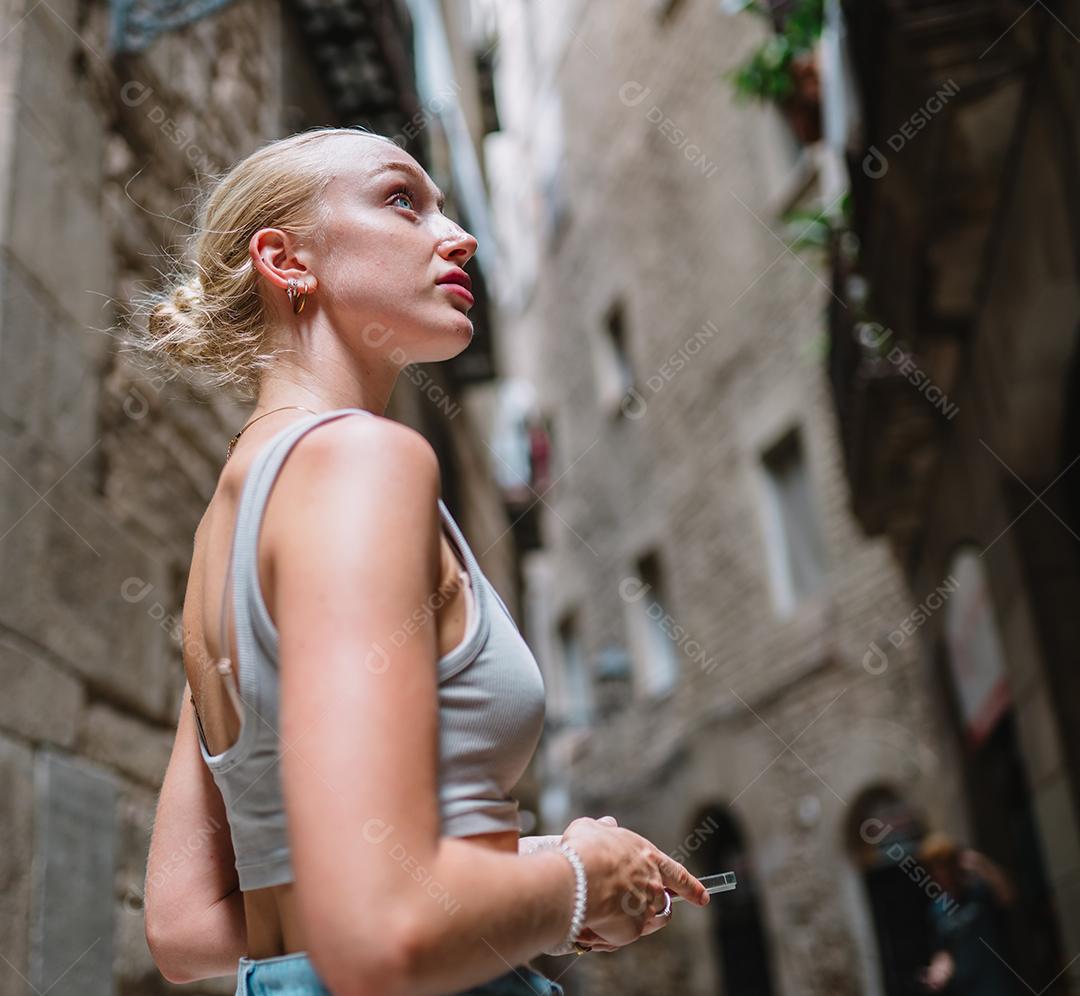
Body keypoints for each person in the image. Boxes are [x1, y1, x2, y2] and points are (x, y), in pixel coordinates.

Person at [135, 126, 711, 996]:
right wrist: (581, 881)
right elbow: (379, 928)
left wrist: (528, 876)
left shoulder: (232, 528)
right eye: (403, 199)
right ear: (286, 260)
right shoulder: (363, 462)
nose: (459, 233)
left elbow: (185, 926)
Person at [917, 832, 1019, 995]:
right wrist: (938, 970)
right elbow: (944, 950)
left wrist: (981, 864)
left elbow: (1008, 895)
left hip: (998, 985)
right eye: (934, 869)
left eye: (944, 867)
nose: (940, 876)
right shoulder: (937, 909)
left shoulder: (979, 892)